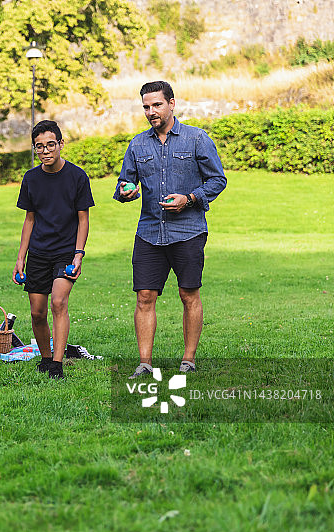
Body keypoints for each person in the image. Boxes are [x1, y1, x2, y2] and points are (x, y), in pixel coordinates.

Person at [114, 81, 227, 378]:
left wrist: (189, 199)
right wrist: (126, 191)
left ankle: (188, 359)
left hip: (188, 231)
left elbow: (217, 180)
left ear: (172, 103)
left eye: (156, 105)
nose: (151, 112)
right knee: (144, 296)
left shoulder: (196, 139)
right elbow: (124, 182)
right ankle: (144, 363)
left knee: (189, 293)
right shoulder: (138, 144)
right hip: (149, 232)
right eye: (146, 107)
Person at [14, 120, 94, 379]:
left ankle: (57, 363)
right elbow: (30, 219)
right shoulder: (31, 178)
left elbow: (83, 219)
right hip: (38, 252)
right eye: (40, 147)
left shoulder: (77, 176)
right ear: (35, 149)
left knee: (58, 302)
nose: (46, 150)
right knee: (37, 312)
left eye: (51, 144)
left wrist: (78, 254)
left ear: (61, 144)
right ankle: (46, 358)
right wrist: (20, 258)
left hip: (66, 253)